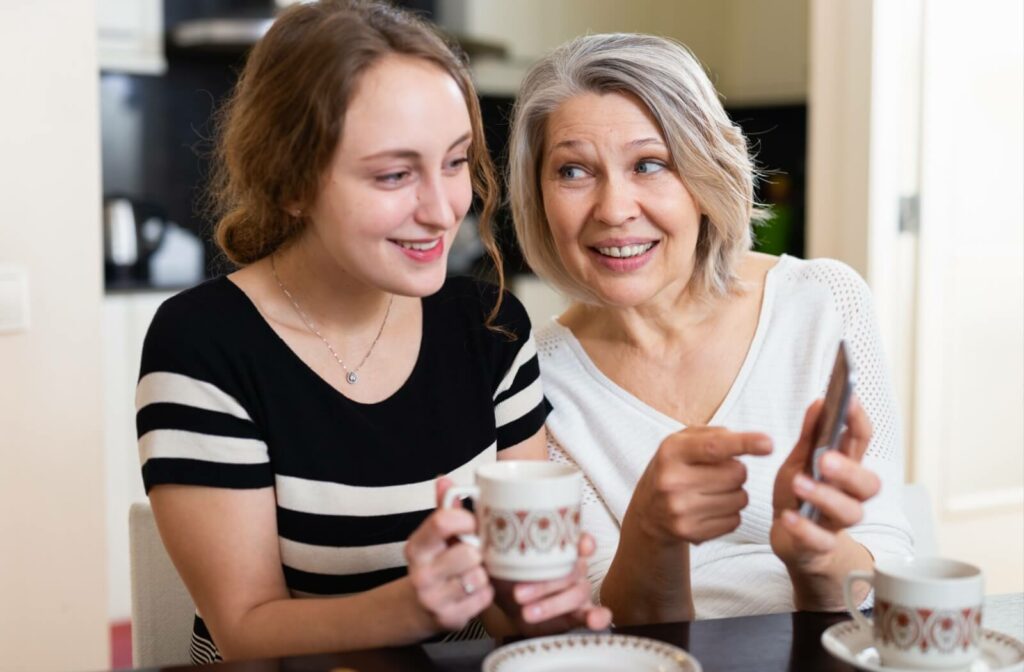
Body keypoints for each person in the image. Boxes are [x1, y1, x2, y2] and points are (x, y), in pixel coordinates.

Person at [136, 1, 608, 663]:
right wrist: (410, 605)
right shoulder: (204, 345)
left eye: (454, 162)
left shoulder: (491, 324)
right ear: (291, 183)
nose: (443, 210)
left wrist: (539, 597)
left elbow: (506, 609)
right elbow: (244, 629)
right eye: (394, 174)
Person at [506, 33, 914, 625]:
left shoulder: (824, 302)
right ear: (538, 196)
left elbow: (884, 559)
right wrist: (653, 534)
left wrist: (814, 554)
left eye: (650, 164)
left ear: (704, 175)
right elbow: (602, 622)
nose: (614, 209)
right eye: (573, 171)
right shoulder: (533, 380)